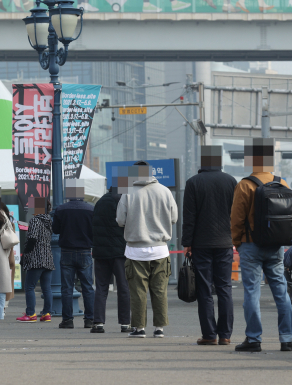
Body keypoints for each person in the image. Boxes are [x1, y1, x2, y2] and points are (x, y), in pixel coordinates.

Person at [230, 138, 292, 352]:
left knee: (251, 291)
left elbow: (236, 219)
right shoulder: (282, 183)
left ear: (252, 160)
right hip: (276, 245)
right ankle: (286, 339)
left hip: (250, 246)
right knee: (281, 291)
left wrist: (238, 243)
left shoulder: (245, 185)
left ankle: (254, 339)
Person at [182, 145, 237, 346]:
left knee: (204, 289)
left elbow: (189, 217)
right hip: (225, 243)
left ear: (203, 161)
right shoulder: (231, 181)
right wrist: (235, 239)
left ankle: (209, 335)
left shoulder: (193, 183)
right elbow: (236, 214)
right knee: (224, 288)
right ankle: (225, 335)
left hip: (201, 244)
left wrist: (187, 243)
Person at [116, 161, 178, 338]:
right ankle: (159, 327)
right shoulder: (165, 191)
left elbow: (120, 220)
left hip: (135, 250)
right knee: (159, 290)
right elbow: (174, 217)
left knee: (137, 292)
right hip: (160, 250)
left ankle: (139, 328)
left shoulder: (127, 192)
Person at [52, 179, 95, 329]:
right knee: (88, 287)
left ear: (68, 193)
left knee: (67, 288)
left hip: (67, 251)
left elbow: (55, 230)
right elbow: (93, 231)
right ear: (82, 192)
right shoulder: (90, 209)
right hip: (85, 251)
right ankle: (90, 319)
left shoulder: (61, 209)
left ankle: (68, 320)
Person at [91, 186, 131, 334]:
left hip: (101, 252)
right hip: (120, 252)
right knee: (123, 287)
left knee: (101, 287)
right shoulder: (123, 200)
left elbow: (93, 226)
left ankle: (99, 322)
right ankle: (125, 323)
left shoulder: (100, 202)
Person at [17, 198, 54, 323]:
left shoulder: (35, 220)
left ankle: (30, 313)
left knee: (29, 286)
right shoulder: (49, 221)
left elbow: (32, 239)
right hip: (48, 258)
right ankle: (47, 313)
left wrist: (26, 254)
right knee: (47, 288)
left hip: (36, 258)